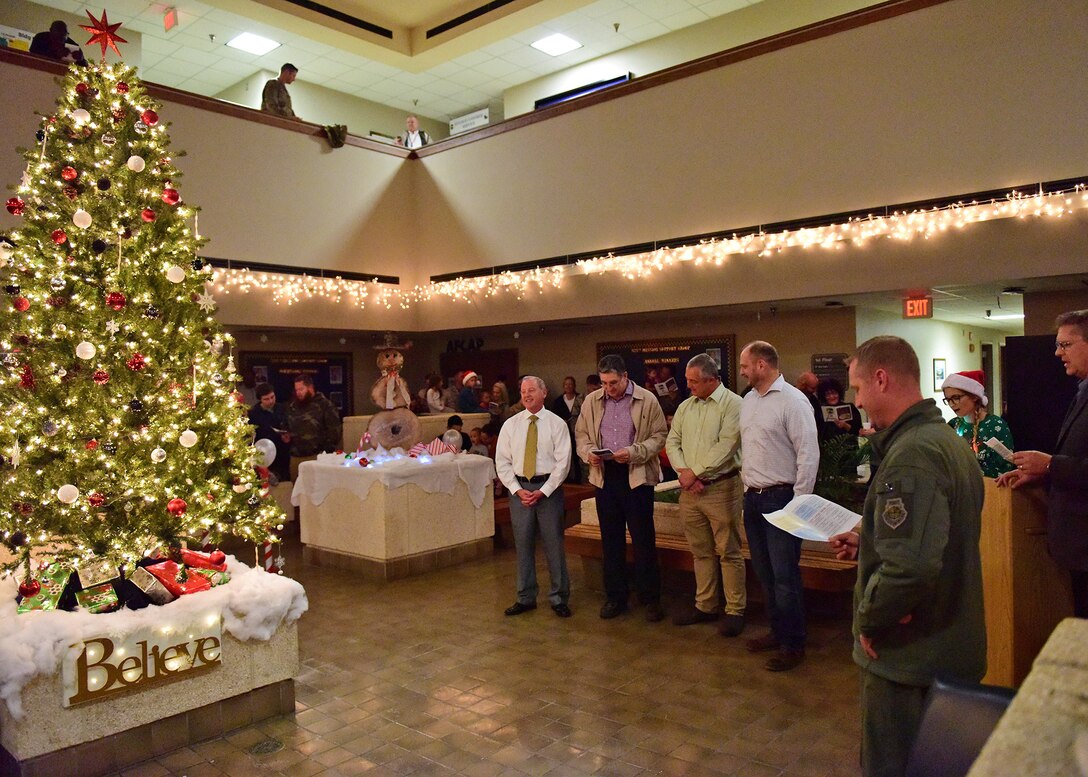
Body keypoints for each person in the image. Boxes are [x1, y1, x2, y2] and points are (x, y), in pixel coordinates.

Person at [829, 335, 985, 777]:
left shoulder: (913, 454)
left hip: (911, 658)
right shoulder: (944, 439)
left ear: (881, 379)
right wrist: (869, 542)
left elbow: (910, 568)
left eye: (859, 388)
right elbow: (937, 535)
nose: (858, 401)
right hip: (945, 646)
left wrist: (869, 619)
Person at [997, 309, 1088, 616]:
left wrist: (1050, 465)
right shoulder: (1082, 391)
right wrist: (1042, 475)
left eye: (1066, 344)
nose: (1057, 353)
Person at [738, 341, 819, 671]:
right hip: (753, 498)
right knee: (764, 572)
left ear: (761, 365)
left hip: (781, 498)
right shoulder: (748, 400)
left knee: (785, 576)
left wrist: (799, 503)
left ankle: (793, 643)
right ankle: (777, 631)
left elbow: (808, 454)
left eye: (745, 365)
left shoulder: (793, 401)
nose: (741, 371)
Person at [575, 355, 667, 621]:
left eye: (613, 383)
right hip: (605, 476)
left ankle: (650, 598)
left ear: (625, 376)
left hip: (636, 475)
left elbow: (659, 436)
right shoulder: (592, 401)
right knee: (611, 539)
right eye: (604, 383)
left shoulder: (647, 399)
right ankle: (615, 597)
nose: (608, 388)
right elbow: (581, 434)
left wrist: (634, 452)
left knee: (643, 539)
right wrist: (588, 453)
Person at [666, 354, 746, 635]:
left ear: (712, 380)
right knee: (700, 551)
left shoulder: (734, 404)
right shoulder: (686, 406)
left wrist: (695, 473)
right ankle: (706, 605)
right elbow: (672, 442)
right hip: (691, 491)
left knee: (728, 551)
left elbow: (727, 446)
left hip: (721, 488)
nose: (689, 386)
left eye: (694, 381)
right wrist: (685, 474)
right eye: (688, 380)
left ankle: (735, 610)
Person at [496, 376, 572, 617]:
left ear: (544, 393)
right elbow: (502, 462)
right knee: (523, 545)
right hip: (519, 490)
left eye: (531, 390)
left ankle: (559, 597)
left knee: (554, 545)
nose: (527, 395)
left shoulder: (557, 424)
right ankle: (525, 597)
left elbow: (563, 463)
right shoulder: (511, 425)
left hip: (548, 490)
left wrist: (543, 491)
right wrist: (517, 489)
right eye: (523, 391)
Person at [941, 370, 1014, 478]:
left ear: (974, 396)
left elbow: (1006, 466)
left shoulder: (996, 425)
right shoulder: (952, 425)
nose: (951, 404)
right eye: (948, 400)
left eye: (956, 398)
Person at [284, 374, 341, 480]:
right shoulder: (292, 406)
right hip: (296, 457)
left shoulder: (325, 405)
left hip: (317, 456)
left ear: (310, 387)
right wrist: (286, 435)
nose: (298, 393)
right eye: (296, 390)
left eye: (301, 389)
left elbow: (335, 432)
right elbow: (287, 425)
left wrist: (325, 453)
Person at [248, 383, 291, 483]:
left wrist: (287, 436)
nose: (271, 401)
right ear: (260, 400)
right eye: (266, 399)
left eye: (272, 397)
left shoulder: (282, 408)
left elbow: (288, 425)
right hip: (264, 455)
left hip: (282, 453)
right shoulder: (254, 414)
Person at [551, 376, 582, 483]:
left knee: (577, 455)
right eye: (566, 384)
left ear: (574, 385)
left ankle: (578, 478)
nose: (568, 386)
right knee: (565, 455)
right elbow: (554, 417)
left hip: (578, 431)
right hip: (563, 433)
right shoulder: (558, 401)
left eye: (570, 384)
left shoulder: (580, 399)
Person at [795, 371, 824, 438]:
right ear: (804, 386)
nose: (814, 390)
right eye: (812, 388)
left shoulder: (814, 399)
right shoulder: (793, 396)